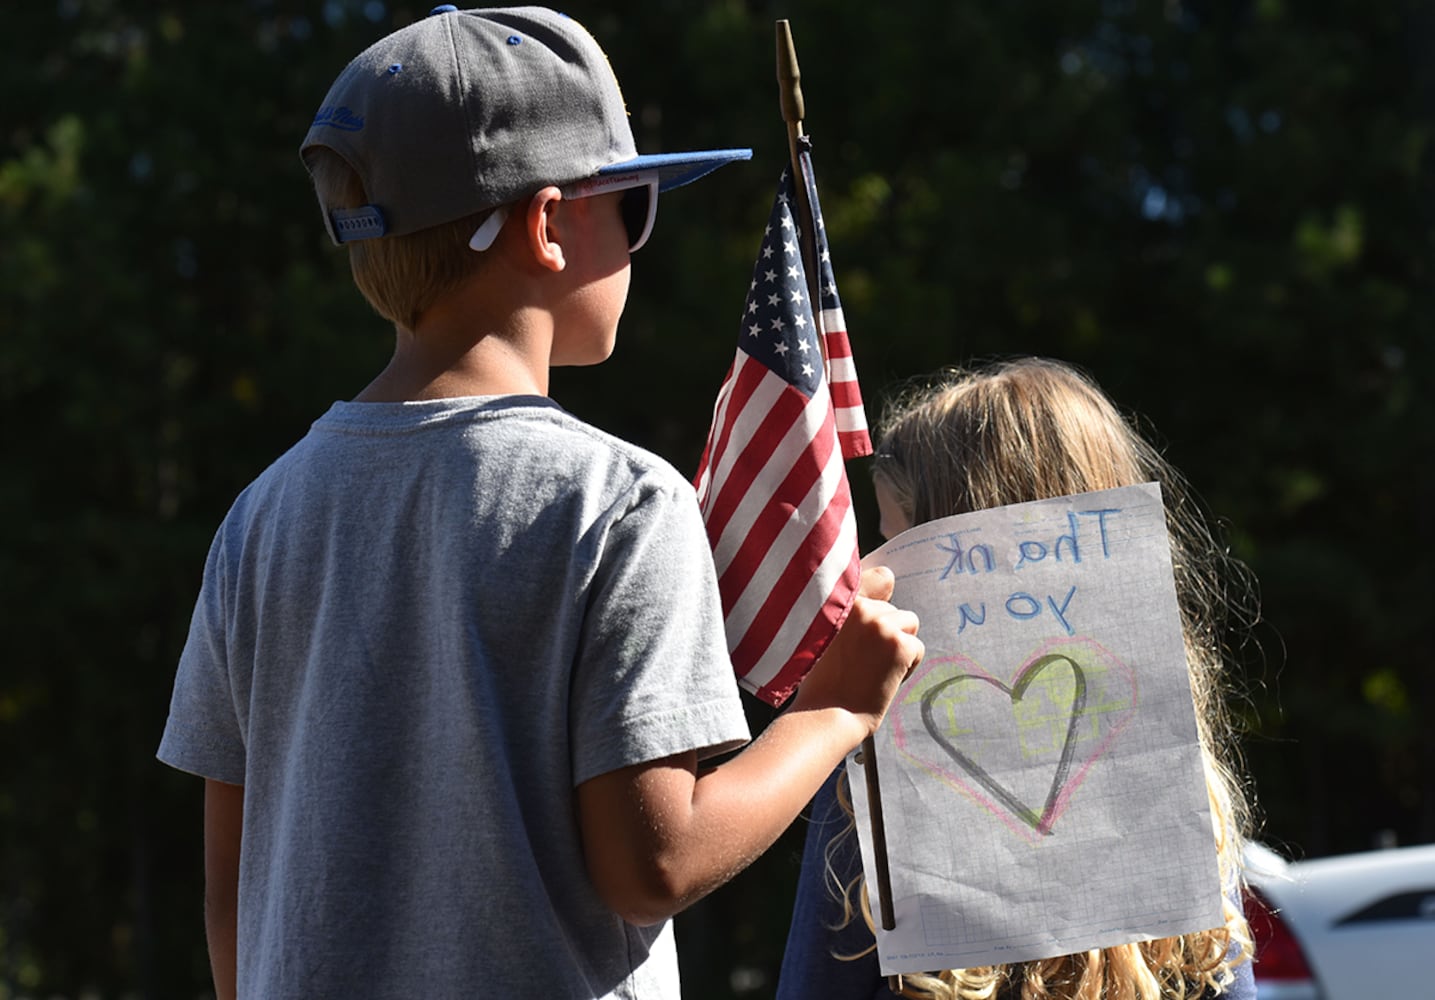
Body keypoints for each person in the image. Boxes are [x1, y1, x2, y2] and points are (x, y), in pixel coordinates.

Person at [156, 8, 924, 1000]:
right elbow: (654, 863)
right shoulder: (620, 502)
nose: (641, 243)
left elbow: (231, 886)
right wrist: (835, 708)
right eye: (636, 205)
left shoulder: (258, 519)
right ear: (547, 225)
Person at [776, 357, 1259, 1000]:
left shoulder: (866, 788)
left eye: (895, 548)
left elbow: (815, 985)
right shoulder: (1176, 777)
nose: (877, 579)